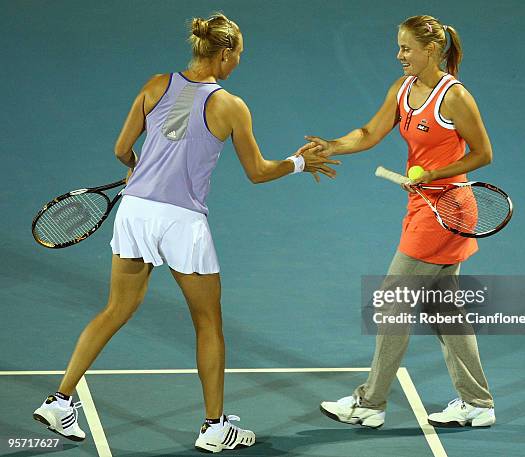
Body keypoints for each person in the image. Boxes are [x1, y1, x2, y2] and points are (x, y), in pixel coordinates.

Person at [32, 12, 339, 453]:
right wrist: (299, 163)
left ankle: (59, 400)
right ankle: (215, 427)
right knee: (208, 322)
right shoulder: (230, 105)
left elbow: (122, 149)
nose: (239, 65)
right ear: (225, 53)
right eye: (239, 57)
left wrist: (142, 173)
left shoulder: (155, 85)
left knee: (115, 309)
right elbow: (257, 172)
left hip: (135, 212)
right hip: (181, 224)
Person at [310, 15, 496, 428]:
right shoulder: (403, 89)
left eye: (406, 48)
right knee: (445, 308)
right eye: (399, 47)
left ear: (431, 50)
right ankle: (478, 402)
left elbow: (483, 153)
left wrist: (435, 173)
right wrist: (332, 145)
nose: (399, 55)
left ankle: (370, 403)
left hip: (447, 210)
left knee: (393, 301)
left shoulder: (454, 97)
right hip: (423, 207)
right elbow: (369, 132)